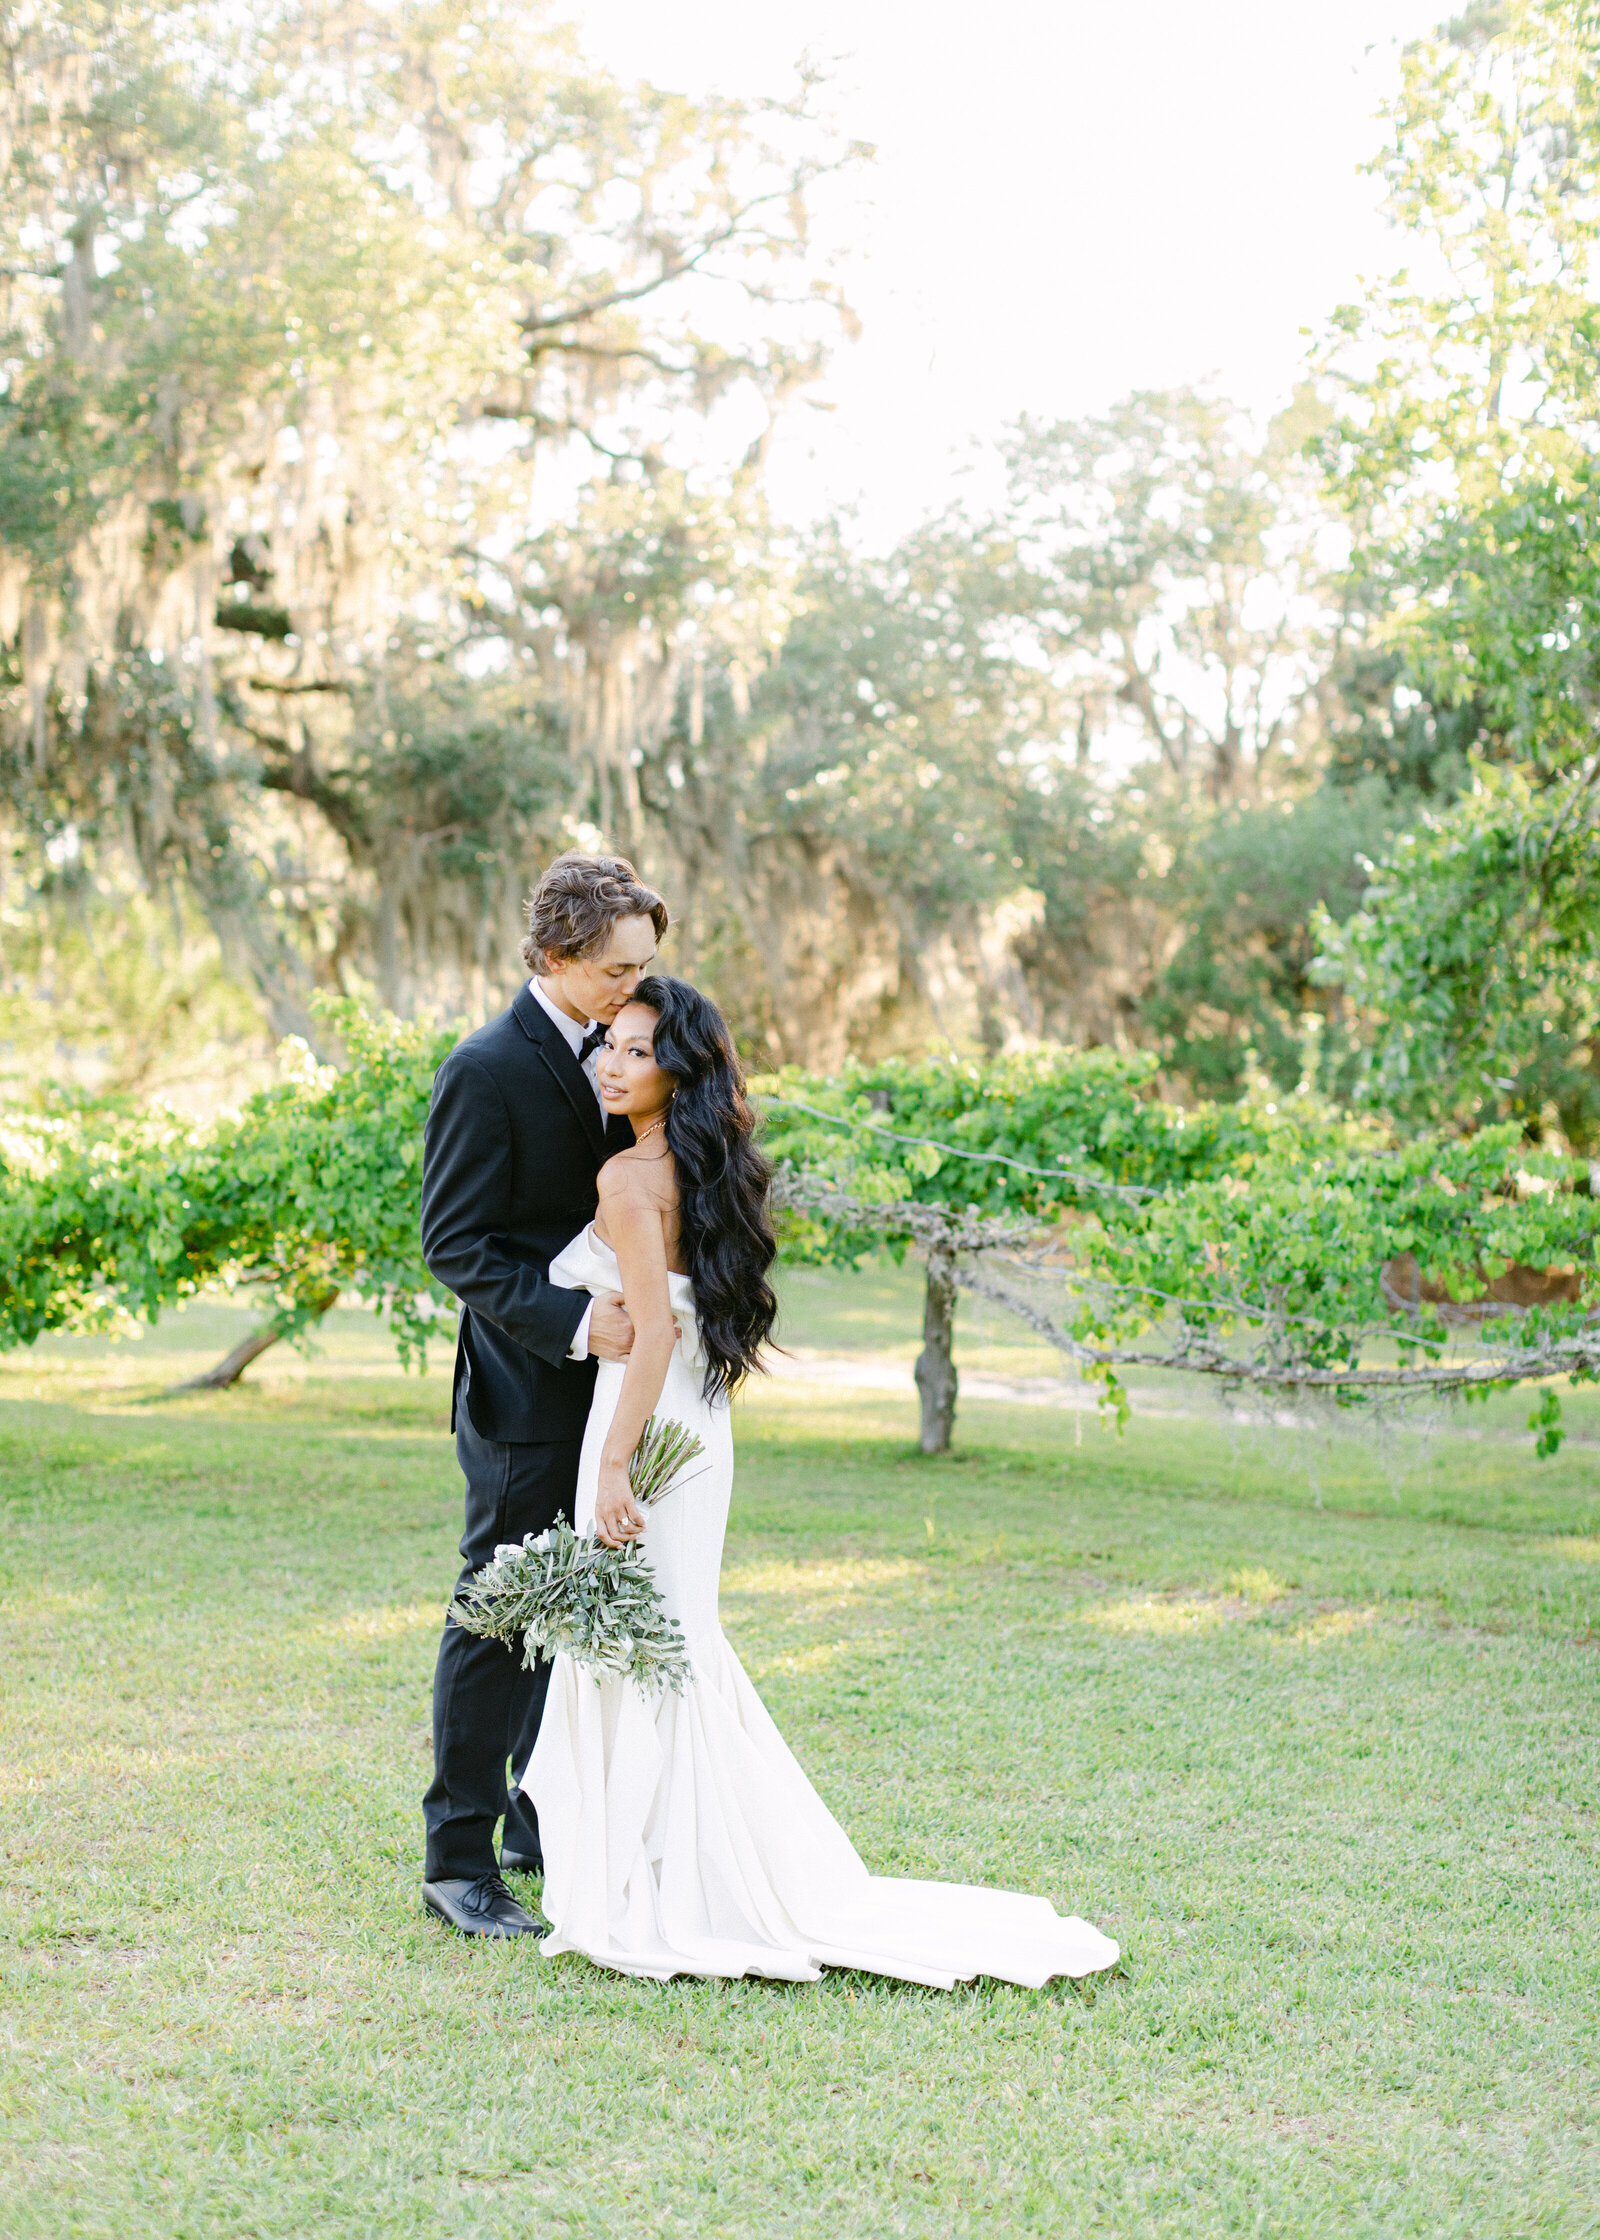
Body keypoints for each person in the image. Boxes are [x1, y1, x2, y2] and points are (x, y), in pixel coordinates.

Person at [523, 974, 1120, 1988]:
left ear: (681, 1067)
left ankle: (664, 1879)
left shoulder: (629, 1181)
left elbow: (656, 1327)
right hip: (694, 1421)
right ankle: (668, 1860)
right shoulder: (707, 1168)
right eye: (609, 1046)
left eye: (637, 1049)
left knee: (647, 1643)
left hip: (643, 1416)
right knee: (672, 1637)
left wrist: (617, 1462)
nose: (614, 1064)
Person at [417, 852, 668, 1938]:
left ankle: (539, 1819)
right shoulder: (484, 1066)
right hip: (524, 1387)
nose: (636, 988)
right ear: (559, 955)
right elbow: (455, 1243)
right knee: (500, 1611)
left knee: (577, 1613)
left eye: (647, 966)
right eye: (618, 969)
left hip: (616, 1393)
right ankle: (456, 1858)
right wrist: (574, 1322)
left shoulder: (631, 1044)